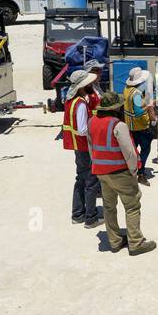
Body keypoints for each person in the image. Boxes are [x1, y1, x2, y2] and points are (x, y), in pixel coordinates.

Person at [87, 92, 157, 256]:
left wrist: (97, 164)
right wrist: (134, 171)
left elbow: (91, 147)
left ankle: (115, 241)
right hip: (120, 172)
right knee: (132, 206)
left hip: (101, 172)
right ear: (116, 107)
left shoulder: (91, 122)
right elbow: (129, 152)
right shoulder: (118, 125)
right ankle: (135, 243)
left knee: (109, 207)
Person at [62, 69, 101, 228]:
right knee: (91, 180)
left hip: (78, 147)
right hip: (84, 147)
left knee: (80, 179)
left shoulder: (71, 100)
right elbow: (82, 129)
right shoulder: (80, 104)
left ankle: (78, 213)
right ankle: (90, 217)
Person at [121, 67, 154, 186]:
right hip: (140, 127)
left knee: (132, 151)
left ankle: (131, 170)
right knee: (145, 149)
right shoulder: (137, 94)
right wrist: (149, 106)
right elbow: (138, 112)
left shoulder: (126, 89)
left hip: (130, 126)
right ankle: (141, 172)